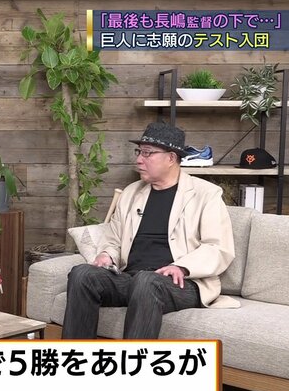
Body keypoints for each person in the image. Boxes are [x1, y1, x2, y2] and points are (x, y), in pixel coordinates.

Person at [62, 122, 236, 339]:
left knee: (146, 281)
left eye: (147, 153)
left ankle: (136, 360)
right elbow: (113, 238)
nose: (138, 159)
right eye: (139, 152)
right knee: (82, 274)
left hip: (181, 283)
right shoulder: (131, 193)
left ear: (171, 158)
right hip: (132, 279)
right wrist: (107, 255)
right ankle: (75, 356)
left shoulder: (206, 194)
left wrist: (181, 267)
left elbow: (218, 248)